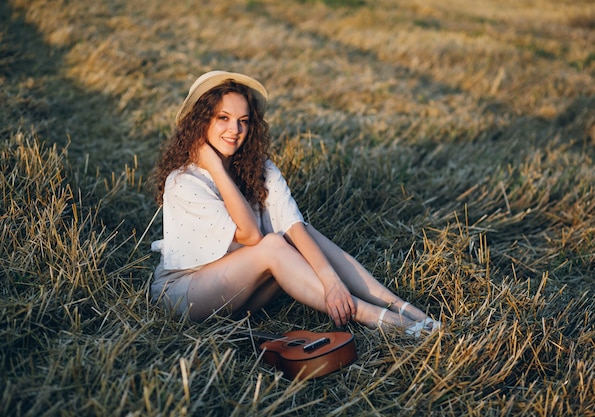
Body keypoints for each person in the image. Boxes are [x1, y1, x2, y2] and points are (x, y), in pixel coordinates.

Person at [150, 70, 441, 337]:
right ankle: (377, 318)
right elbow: (251, 235)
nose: (235, 130)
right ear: (202, 122)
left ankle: (401, 307)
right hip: (185, 296)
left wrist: (332, 281)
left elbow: (294, 226)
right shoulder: (184, 181)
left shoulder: (258, 167)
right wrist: (214, 165)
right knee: (273, 245)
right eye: (222, 118)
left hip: (243, 294)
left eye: (243, 121)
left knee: (300, 235)